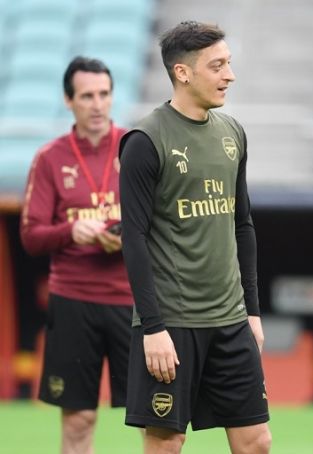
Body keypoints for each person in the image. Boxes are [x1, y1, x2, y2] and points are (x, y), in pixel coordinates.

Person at [118, 21, 271, 453]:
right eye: (217, 65)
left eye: (229, 64)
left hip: (230, 320)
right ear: (182, 73)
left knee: (257, 441)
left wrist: (252, 312)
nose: (230, 75)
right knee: (167, 444)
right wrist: (153, 328)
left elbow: (243, 224)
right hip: (172, 323)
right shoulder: (145, 141)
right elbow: (134, 238)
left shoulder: (233, 133)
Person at [20, 56, 132, 454]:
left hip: (135, 303)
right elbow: (31, 236)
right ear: (69, 101)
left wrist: (130, 238)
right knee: (79, 419)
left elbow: (166, 224)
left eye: (104, 94)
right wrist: (73, 231)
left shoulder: (136, 148)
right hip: (73, 301)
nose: (98, 104)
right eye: (87, 96)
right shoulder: (50, 157)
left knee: (158, 419)